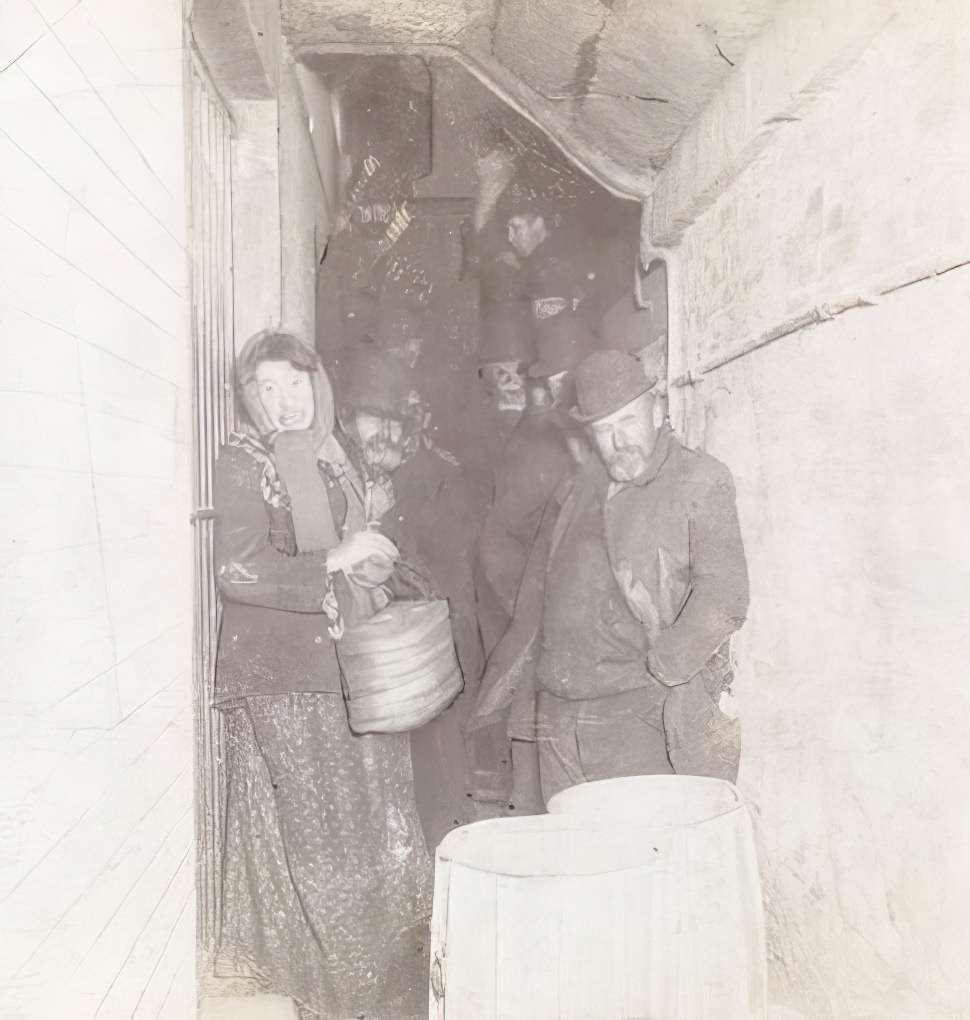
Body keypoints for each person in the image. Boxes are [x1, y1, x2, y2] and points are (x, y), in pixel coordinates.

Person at [212, 329, 431, 1020]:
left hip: (341, 666)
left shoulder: (330, 457)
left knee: (373, 831)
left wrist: (367, 561)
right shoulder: (243, 462)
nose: (284, 403)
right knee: (324, 846)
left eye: (295, 384)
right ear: (249, 399)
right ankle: (337, 1001)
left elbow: (345, 545)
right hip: (287, 681)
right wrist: (335, 563)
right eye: (266, 389)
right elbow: (237, 570)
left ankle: (381, 995)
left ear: (317, 383)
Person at [471, 348, 749, 806]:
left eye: (628, 421)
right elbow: (535, 592)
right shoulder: (578, 487)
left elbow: (726, 594)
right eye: (604, 430)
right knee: (575, 861)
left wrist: (664, 667)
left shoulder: (698, 480)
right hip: (558, 719)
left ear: (657, 411)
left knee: (637, 853)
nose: (619, 442)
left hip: (635, 714)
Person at [334, 342, 486, 848]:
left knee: (438, 798)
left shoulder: (441, 480)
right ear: (349, 420)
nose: (385, 434)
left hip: (431, 670)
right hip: (373, 677)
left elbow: (443, 580)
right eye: (372, 420)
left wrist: (382, 564)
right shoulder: (345, 477)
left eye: (395, 422)